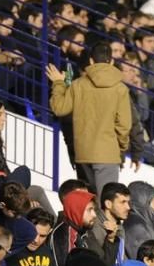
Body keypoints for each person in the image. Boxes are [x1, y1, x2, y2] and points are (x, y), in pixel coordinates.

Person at [48, 41, 132, 194]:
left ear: (91, 61)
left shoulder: (78, 85)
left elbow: (59, 108)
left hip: (83, 152)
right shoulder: (121, 89)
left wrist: (58, 83)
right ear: (111, 61)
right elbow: (124, 125)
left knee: (87, 204)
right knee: (106, 203)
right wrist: (121, 148)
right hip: (108, 153)